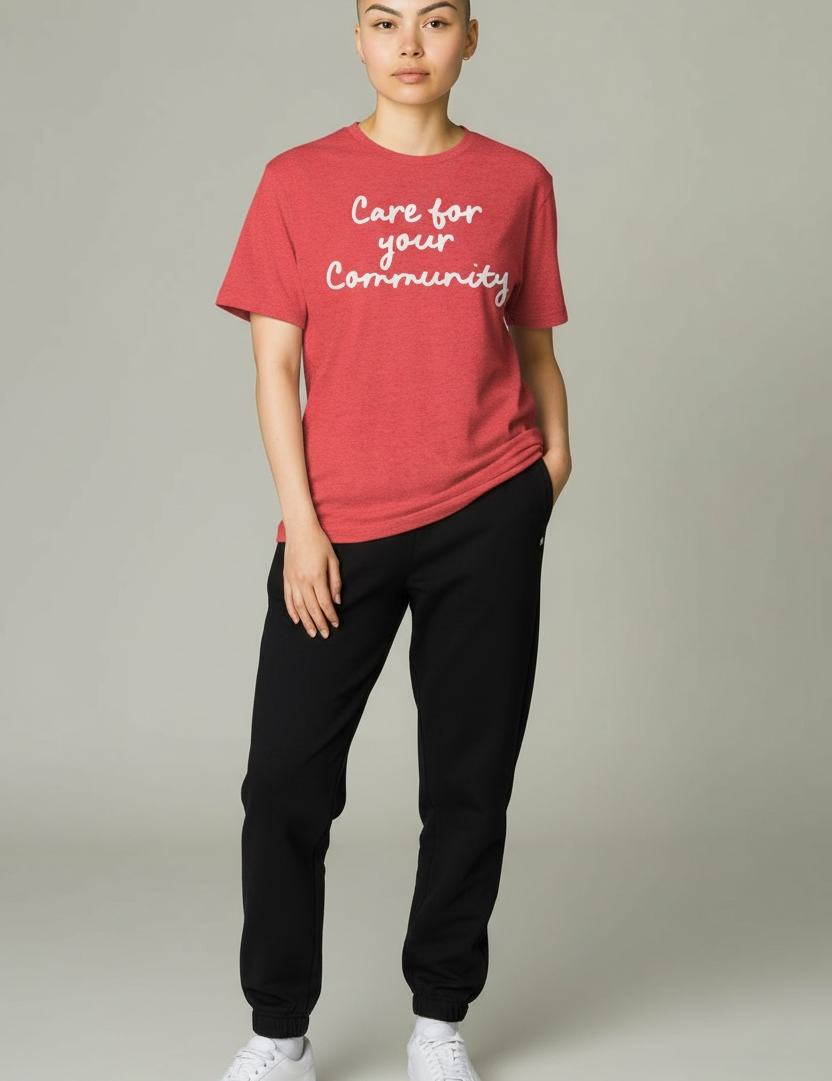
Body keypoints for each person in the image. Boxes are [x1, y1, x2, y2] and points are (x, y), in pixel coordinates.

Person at [213, 1, 571, 1078]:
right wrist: (305, 527)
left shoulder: (517, 183)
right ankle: (279, 1031)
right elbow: (277, 370)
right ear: (357, 39)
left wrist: (549, 470)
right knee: (284, 782)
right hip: (342, 530)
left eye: (435, 21)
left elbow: (535, 346)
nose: (409, 46)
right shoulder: (295, 182)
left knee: (468, 778)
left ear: (471, 37)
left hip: (487, 512)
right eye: (384, 21)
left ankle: (439, 1017)